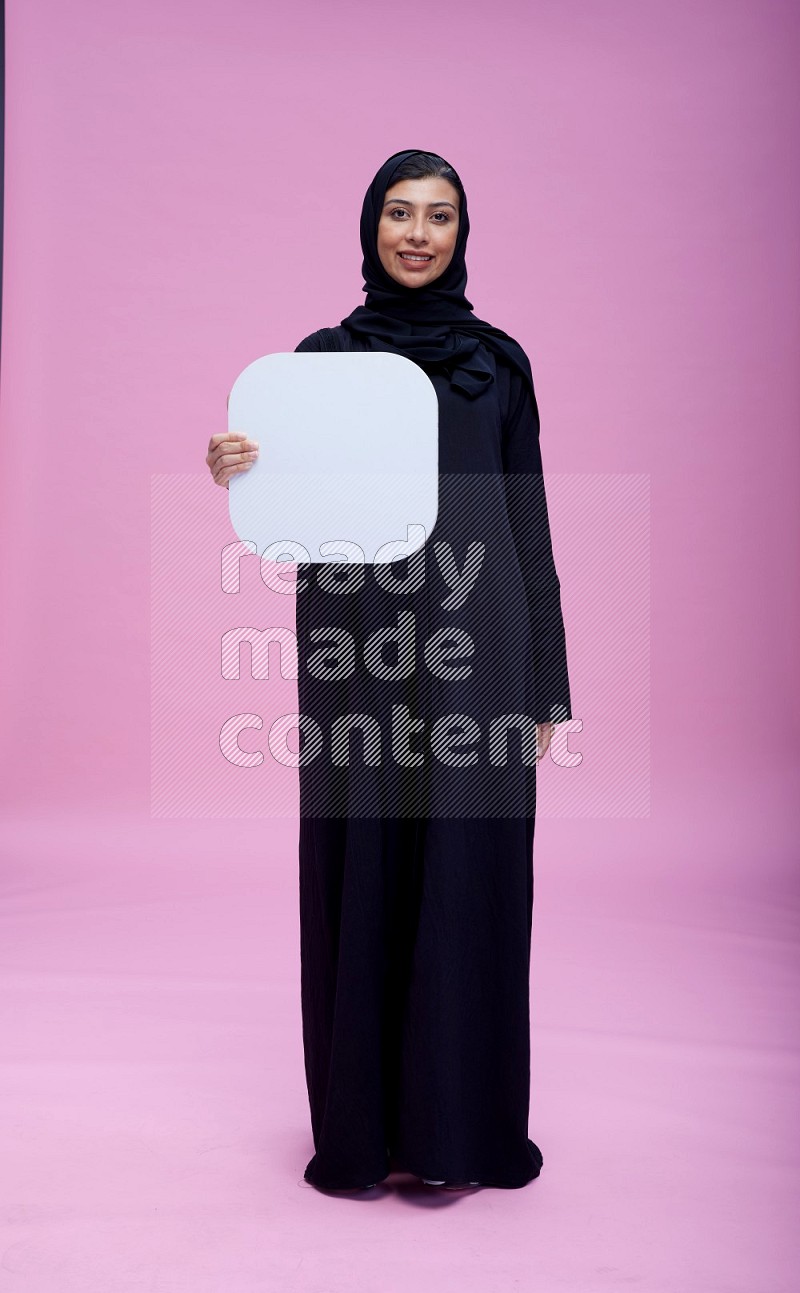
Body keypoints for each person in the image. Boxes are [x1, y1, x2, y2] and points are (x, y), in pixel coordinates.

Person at [206, 149, 572, 1194]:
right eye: (398, 214)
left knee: (468, 877)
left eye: (439, 216)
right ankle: (366, 1138)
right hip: (356, 647)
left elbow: (527, 525)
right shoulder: (314, 364)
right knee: (363, 865)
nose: (417, 233)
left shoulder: (498, 365)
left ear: (462, 234)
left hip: (480, 651)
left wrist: (545, 683)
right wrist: (232, 464)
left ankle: (456, 1137)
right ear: (368, 227)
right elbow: (273, 498)